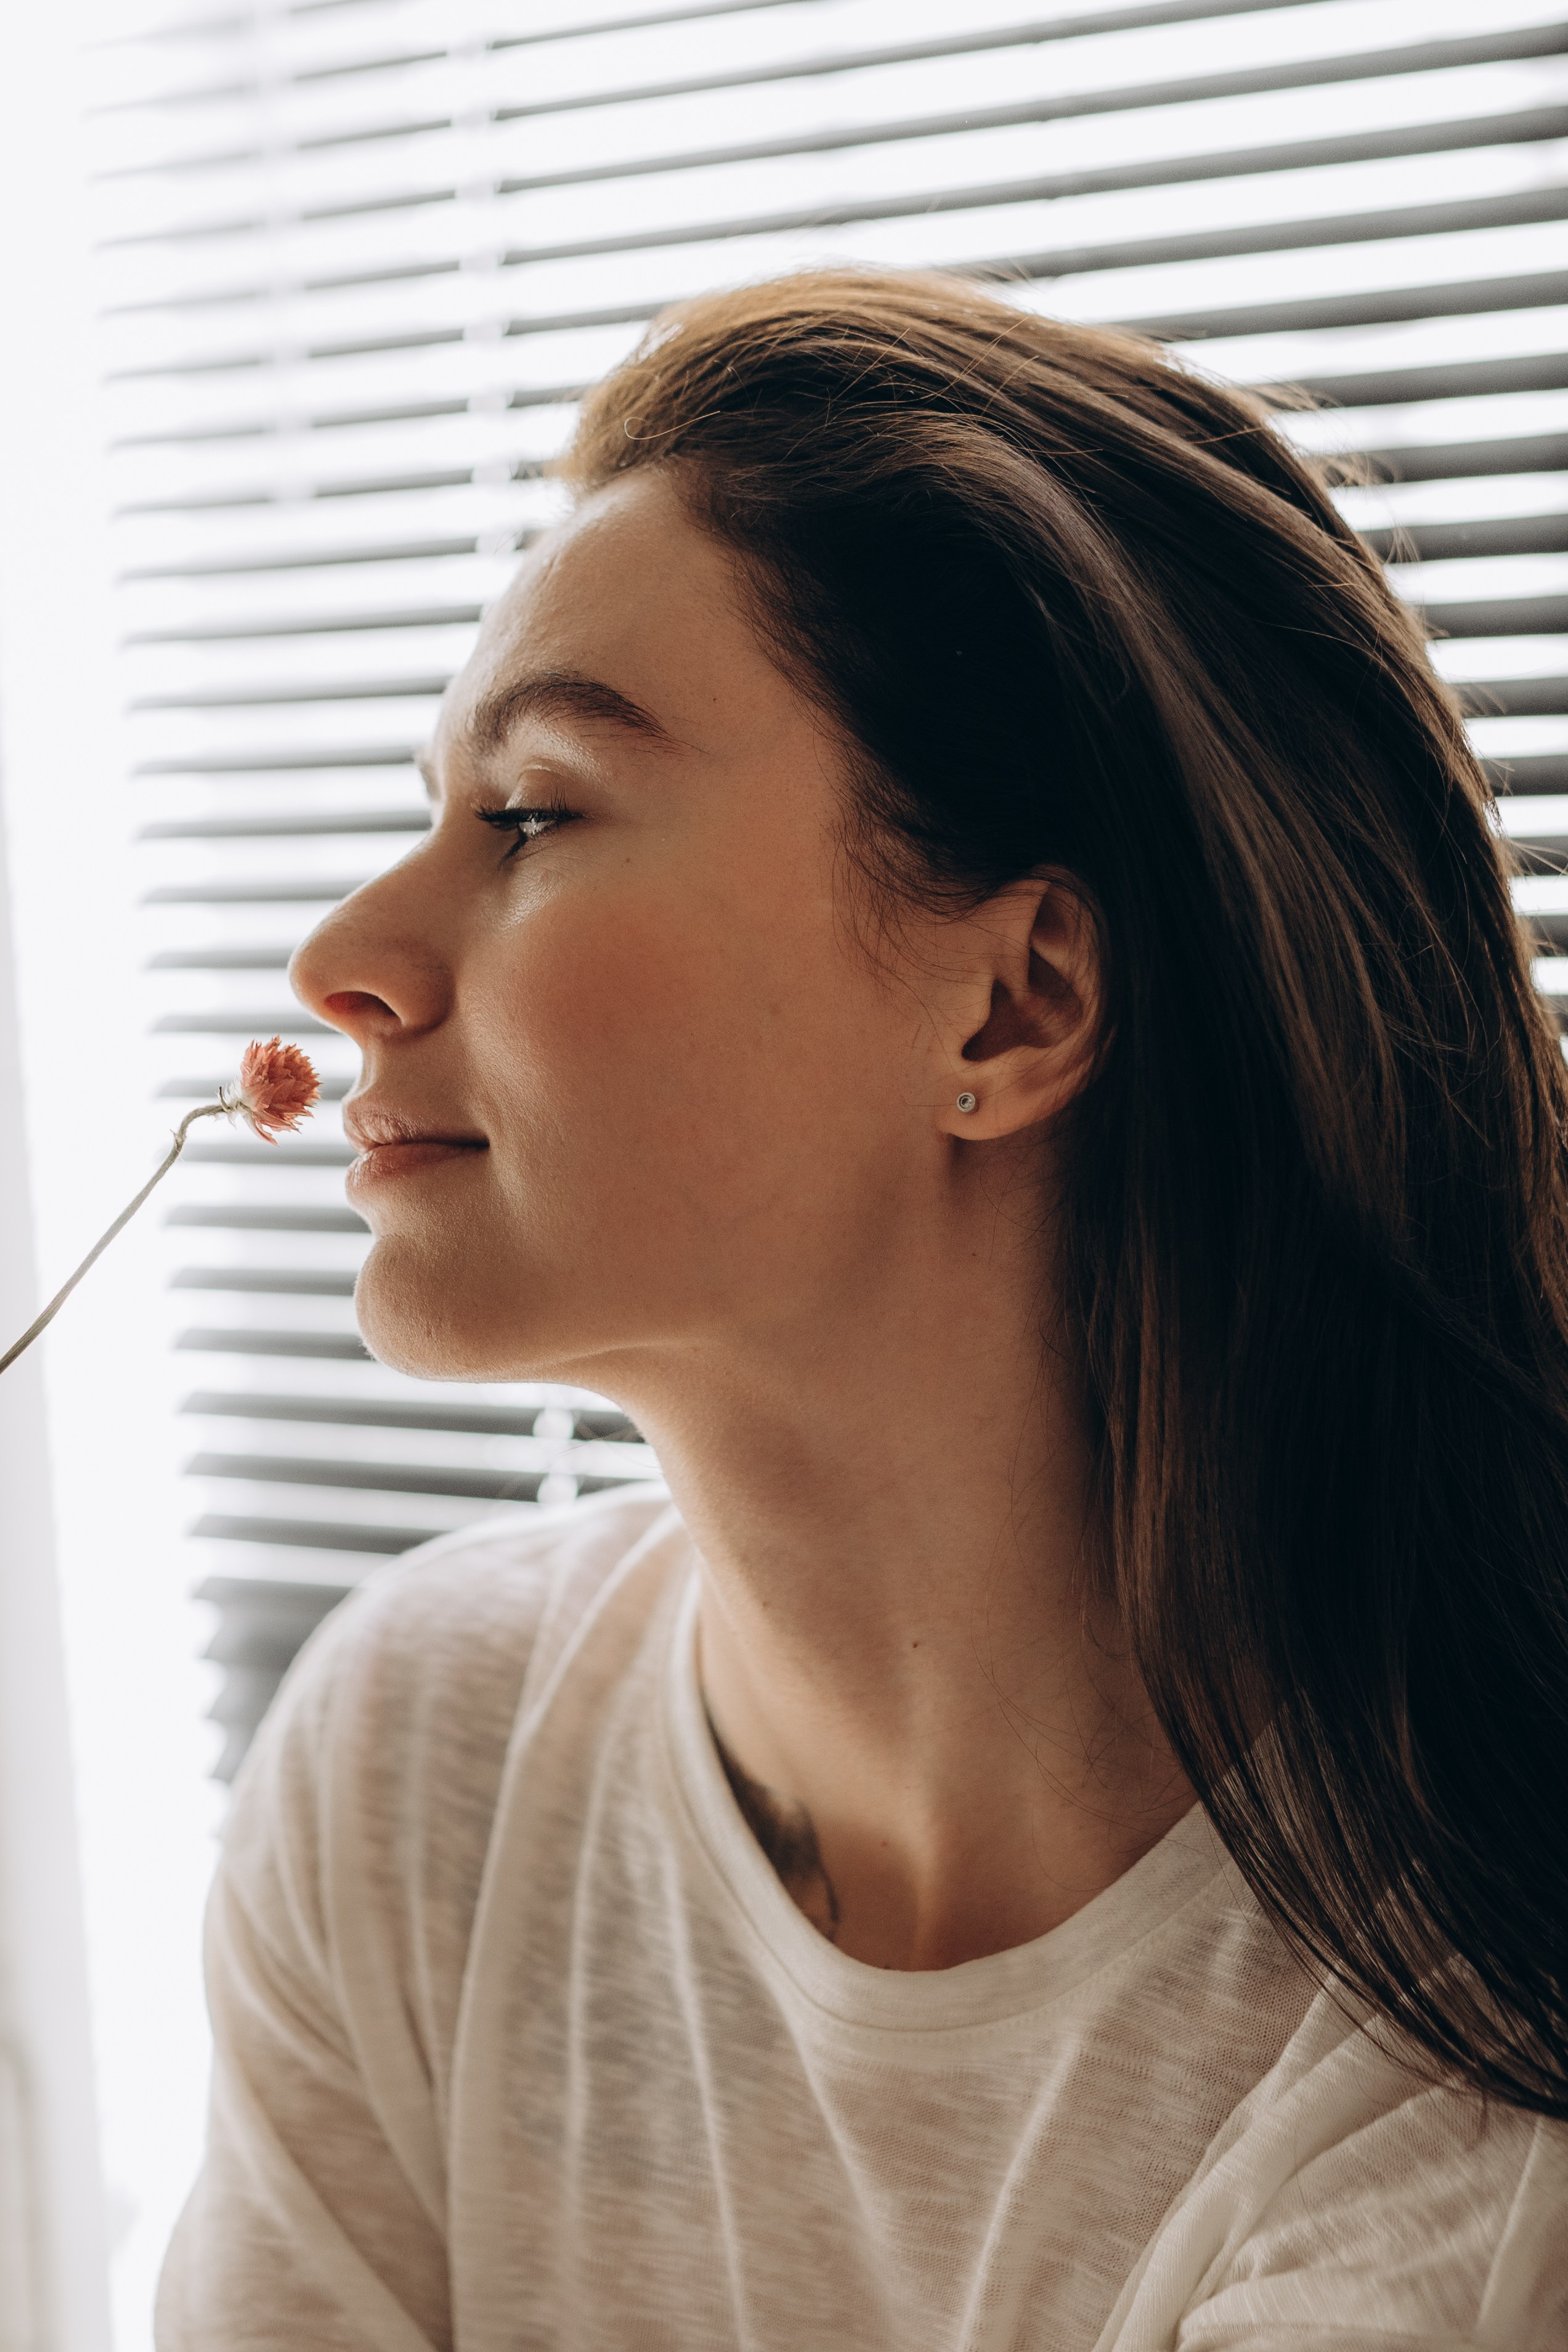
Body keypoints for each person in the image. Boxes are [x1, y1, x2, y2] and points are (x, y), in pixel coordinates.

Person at [155, 267, 1568, 2351]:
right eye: (432, 810)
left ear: (1011, 1001)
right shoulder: (415, 1763)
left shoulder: (1465, 2073)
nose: (343, 955)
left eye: (530, 811)